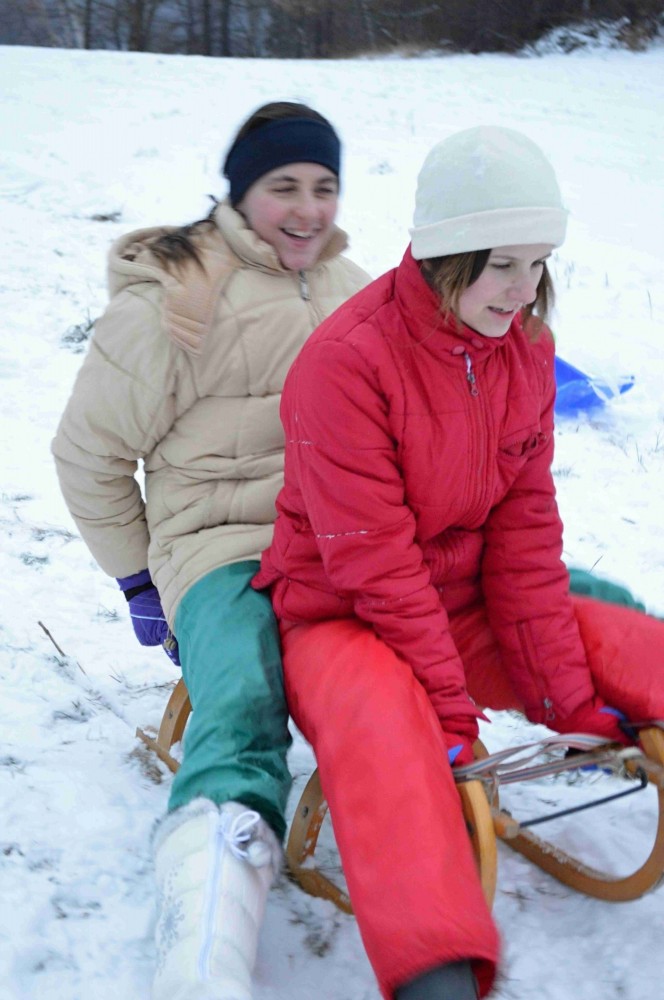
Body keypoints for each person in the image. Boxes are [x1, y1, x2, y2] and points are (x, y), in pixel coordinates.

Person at [254, 126, 664, 1000]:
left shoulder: (527, 352)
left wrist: (563, 693)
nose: (525, 289)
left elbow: (525, 535)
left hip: (463, 602)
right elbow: (376, 566)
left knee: (629, 645)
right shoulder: (347, 363)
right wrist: (448, 710)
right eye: (502, 265)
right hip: (341, 614)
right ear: (445, 257)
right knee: (389, 737)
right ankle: (434, 966)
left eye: (539, 264)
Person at [52, 101, 369, 1000]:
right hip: (221, 542)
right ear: (239, 193)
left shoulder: (352, 286)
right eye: (283, 186)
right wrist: (138, 580)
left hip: (344, 535)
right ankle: (205, 940)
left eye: (324, 186)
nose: (307, 209)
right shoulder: (175, 302)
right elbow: (88, 453)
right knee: (246, 693)